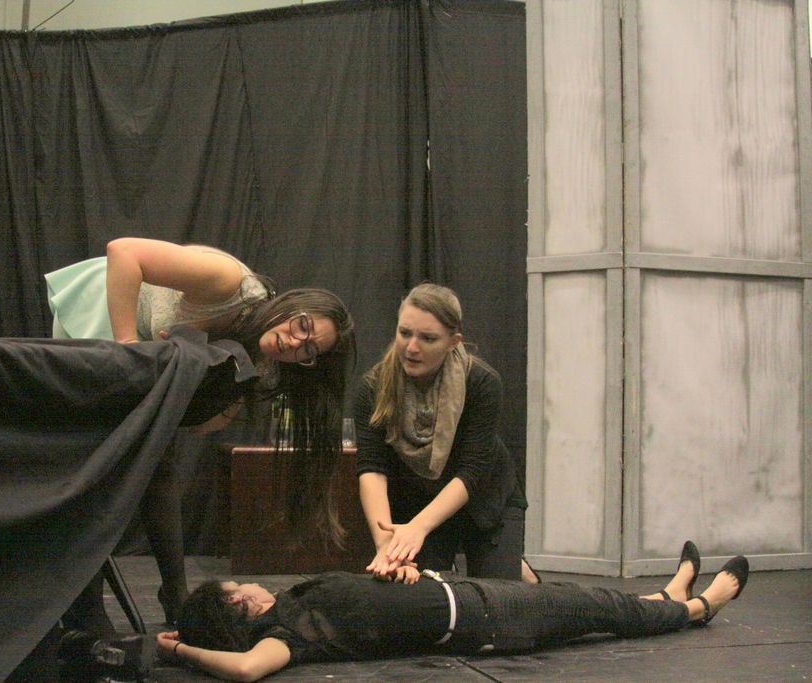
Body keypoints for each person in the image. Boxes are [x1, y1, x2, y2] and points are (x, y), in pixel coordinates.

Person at [45, 238, 356, 631]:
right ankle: (87, 605)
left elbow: (199, 424)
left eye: (308, 350)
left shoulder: (257, 355)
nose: (295, 342)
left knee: (160, 462)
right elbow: (123, 252)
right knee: (98, 468)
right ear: (293, 306)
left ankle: (174, 593)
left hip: (141, 354)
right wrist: (128, 349)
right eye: (303, 326)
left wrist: (221, 400)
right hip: (104, 313)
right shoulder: (229, 282)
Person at [157, 542, 749, 681]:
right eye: (239, 586)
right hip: (486, 622)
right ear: (238, 604)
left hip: (464, 595)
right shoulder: (286, 634)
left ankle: (666, 598)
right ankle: (698, 606)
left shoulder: (294, 602)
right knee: (590, 606)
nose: (250, 582)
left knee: (592, 604)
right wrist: (180, 649)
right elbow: (245, 670)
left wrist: (397, 574)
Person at [355, 283, 530, 583]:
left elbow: (472, 471)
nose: (411, 347)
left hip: (484, 499)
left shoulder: (481, 382)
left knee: (497, 599)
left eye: (428, 338)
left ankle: (516, 570)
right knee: (418, 589)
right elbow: (372, 469)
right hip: (419, 501)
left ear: (453, 341)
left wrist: (418, 528)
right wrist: (387, 544)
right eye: (405, 333)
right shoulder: (373, 387)